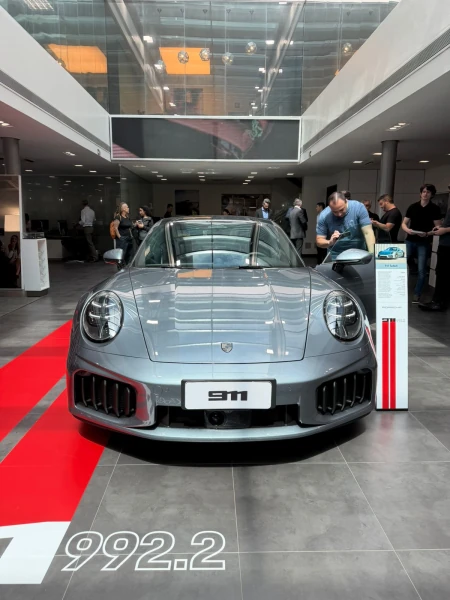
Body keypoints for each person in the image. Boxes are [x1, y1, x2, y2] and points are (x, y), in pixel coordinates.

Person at [401, 184, 442, 303]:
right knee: (401, 264)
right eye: (423, 192)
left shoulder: (434, 209)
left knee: (421, 269)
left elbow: (438, 227)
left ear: (432, 195)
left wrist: (428, 233)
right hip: (410, 239)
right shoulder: (413, 207)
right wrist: (407, 230)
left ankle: (417, 293)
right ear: (420, 193)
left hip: (424, 241)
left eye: (428, 192)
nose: (425, 194)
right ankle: (399, 290)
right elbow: (404, 223)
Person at [316, 191, 375, 258]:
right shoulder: (324, 215)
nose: (339, 214)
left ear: (346, 201)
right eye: (335, 212)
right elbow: (319, 240)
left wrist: (372, 256)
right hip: (336, 255)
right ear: (330, 207)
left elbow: (368, 233)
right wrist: (330, 242)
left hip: (359, 254)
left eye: (341, 210)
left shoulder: (358, 208)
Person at [419, 208, 450, 312]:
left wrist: (445, 230)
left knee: (443, 274)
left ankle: (439, 302)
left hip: (447, 245)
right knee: (441, 273)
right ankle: (439, 301)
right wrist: (441, 227)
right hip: (444, 244)